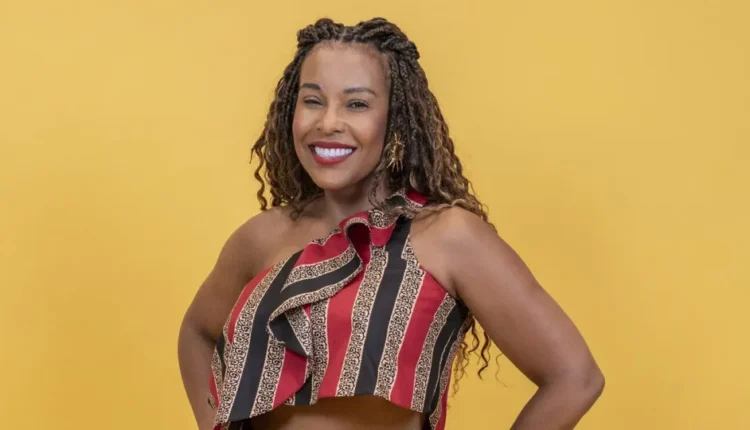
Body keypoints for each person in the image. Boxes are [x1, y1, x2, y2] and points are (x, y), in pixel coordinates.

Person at [178, 17, 604, 430]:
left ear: (395, 118)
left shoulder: (447, 236)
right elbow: (197, 332)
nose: (328, 122)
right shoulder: (261, 237)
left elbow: (575, 378)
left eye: (357, 104)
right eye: (312, 101)